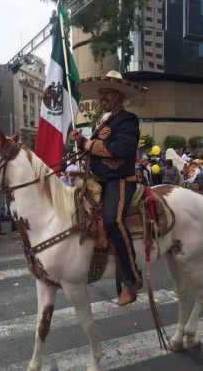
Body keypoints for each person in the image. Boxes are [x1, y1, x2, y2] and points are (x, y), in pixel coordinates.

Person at [70, 70, 148, 306]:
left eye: (107, 92)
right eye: (101, 92)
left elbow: (121, 149)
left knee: (113, 220)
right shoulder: (103, 122)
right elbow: (94, 149)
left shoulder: (128, 119)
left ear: (119, 96)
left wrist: (87, 143)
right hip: (99, 180)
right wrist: (80, 143)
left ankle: (132, 279)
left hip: (120, 180)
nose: (102, 96)